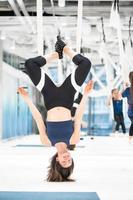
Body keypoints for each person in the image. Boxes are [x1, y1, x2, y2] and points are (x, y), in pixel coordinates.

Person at [18, 37, 92, 181]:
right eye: (69, 161)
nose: (67, 158)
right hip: (67, 95)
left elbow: (39, 118)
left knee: (30, 64)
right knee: (85, 64)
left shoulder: (46, 141)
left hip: (50, 96)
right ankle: (65, 49)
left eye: (64, 162)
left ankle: (55, 55)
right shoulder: (74, 139)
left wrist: (27, 98)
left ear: (57, 161)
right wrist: (86, 94)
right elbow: (78, 116)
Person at [122, 72, 133, 142]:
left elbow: (122, 95)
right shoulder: (128, 89)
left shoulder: (128, 89)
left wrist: (125, 87)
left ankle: (130, 138)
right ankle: (130, 138)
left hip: (130, 112)